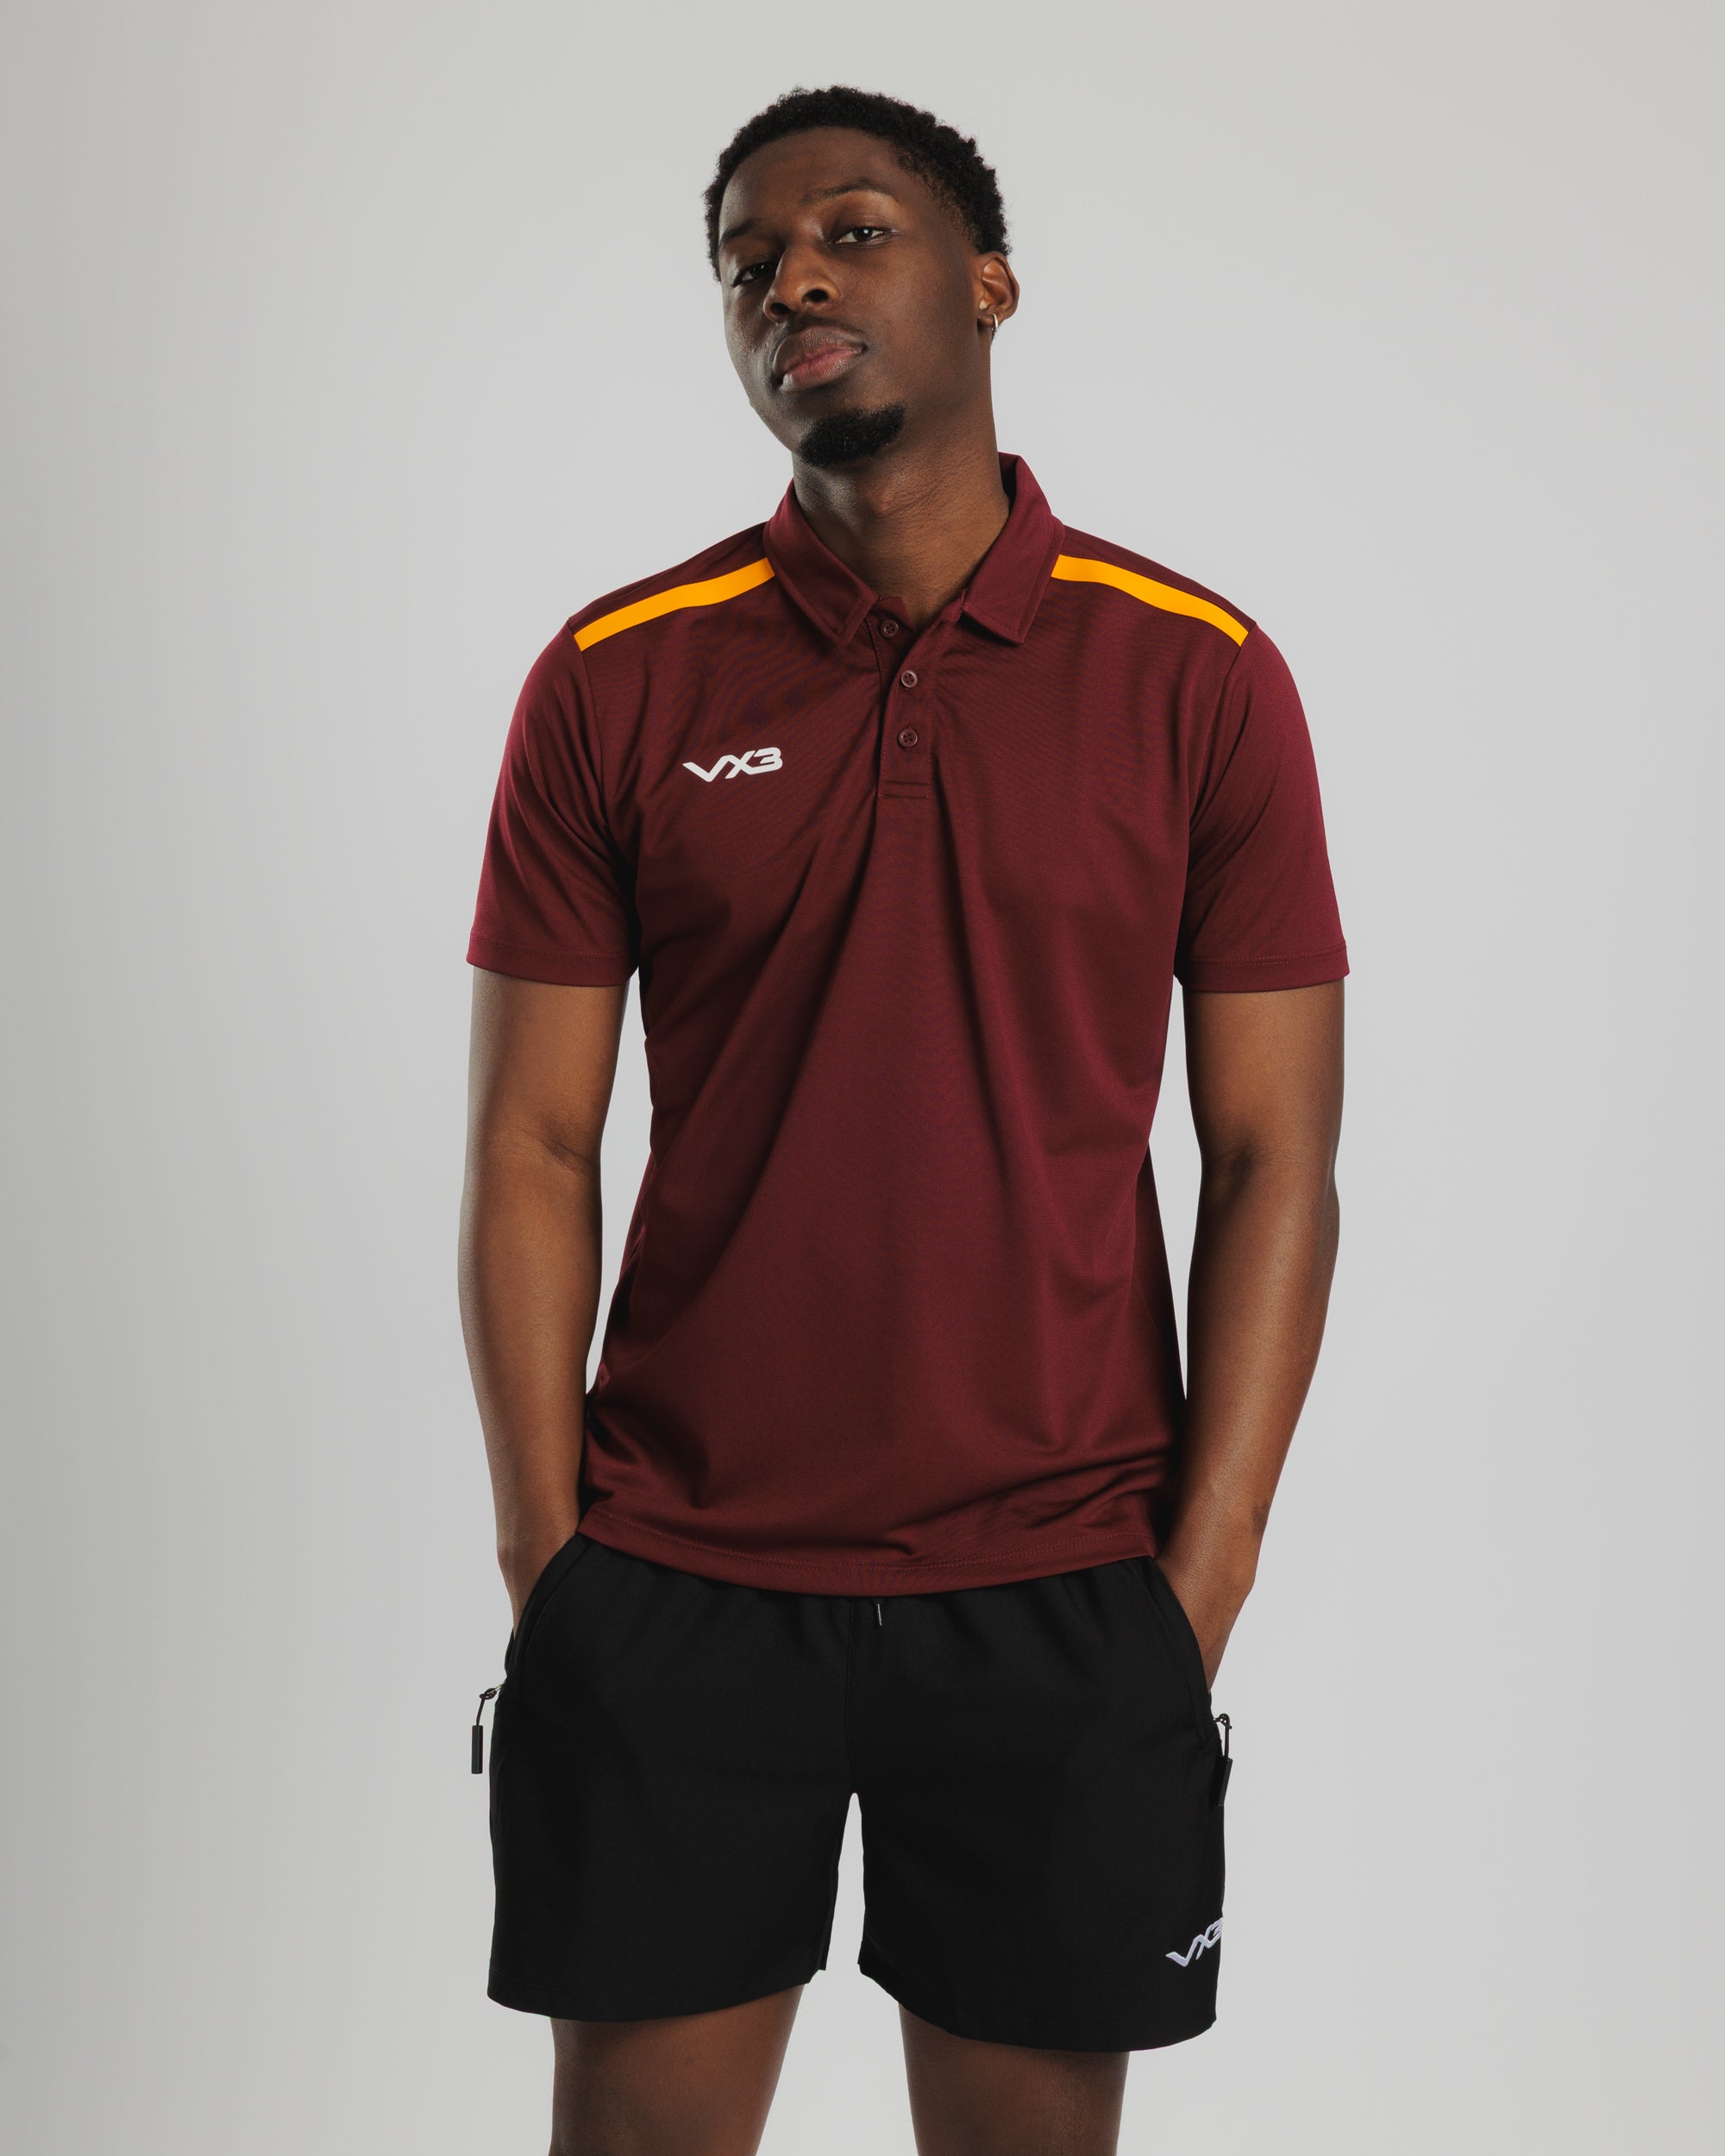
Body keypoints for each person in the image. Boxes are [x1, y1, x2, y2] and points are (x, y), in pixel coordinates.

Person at [459, 84, 1346, 2156]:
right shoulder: (615, 675)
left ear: (991, 283)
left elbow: (1273, 1159)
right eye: (745, 262)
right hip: (673, 1576)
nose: (790, 281)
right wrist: (546, 1559)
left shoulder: (1197, 671)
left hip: (1065, 1579)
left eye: (850, 231)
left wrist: (1196, 1581)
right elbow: (530, 1147)